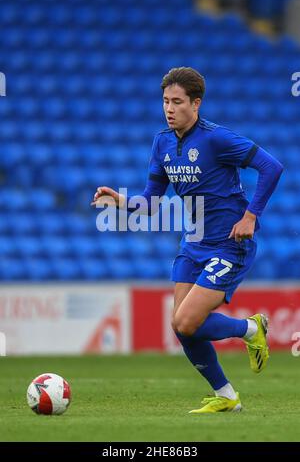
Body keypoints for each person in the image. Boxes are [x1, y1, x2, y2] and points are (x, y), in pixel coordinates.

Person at [92, 67, 283, 413]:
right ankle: (226, 396)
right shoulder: (161, 143)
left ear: (196, 104)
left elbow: (272, 166)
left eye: (177, 101)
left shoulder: (217, 139)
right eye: (165, 101)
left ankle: (250, 329)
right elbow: (151, 203)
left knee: (186, 321)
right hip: (193, 243)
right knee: (181, 326)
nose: (169, 108)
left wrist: (250, 216)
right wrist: (119, 201)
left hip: (229, 243)